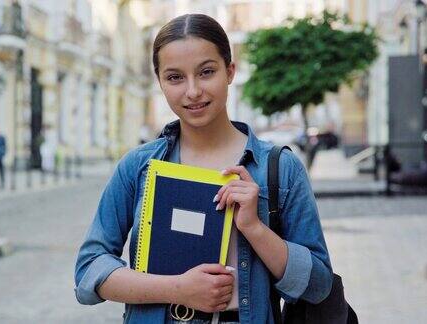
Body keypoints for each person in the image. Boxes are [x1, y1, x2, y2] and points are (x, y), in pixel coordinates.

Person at [74, 14, 332, 324]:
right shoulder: (138, 167)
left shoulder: (280, 169)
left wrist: (255, 229)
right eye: (175, 77)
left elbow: (318, 286)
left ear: (230, 72)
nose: (193, 91)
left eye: (206, 72)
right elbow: (89, 270)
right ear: (160, 83)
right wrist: (178, 289)